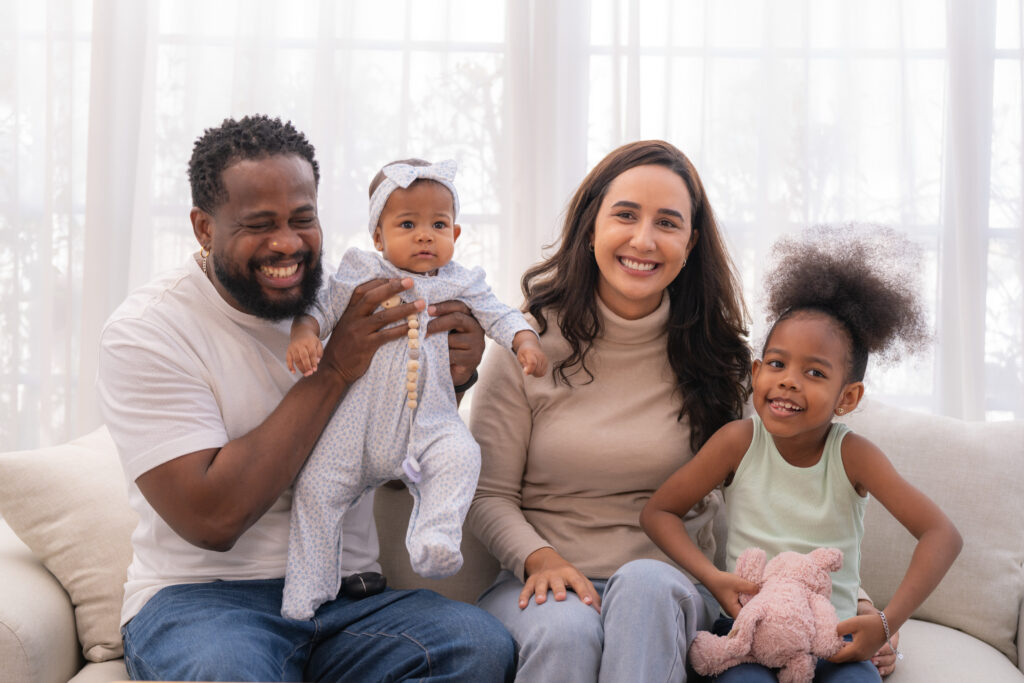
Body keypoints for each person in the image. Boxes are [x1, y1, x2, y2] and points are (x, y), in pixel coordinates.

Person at [96, 115, 516, 682]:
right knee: (229, 672)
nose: (287, 244)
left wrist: (452, 379)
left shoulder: (357, 296)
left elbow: (389, 471)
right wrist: (336, 368)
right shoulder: (149, 331)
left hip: (349, 601)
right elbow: (212, 518)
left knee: (476, 644)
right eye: (259, 224)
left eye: (302, 219)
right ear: (203, 228)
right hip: (204, 602)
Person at [466, 140, 753, 682]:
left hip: (669, 589)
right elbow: (487, 495)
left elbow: (783, 490)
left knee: (645, 587)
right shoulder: (525, 343)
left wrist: (847, 597)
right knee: (567, 630)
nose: (643, 240)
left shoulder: (721, 358)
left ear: (689, 243)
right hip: (542, 581)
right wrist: (541, 559)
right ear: (591, 225)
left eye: (667, 223)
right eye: (625, 215)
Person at [641, 226, 963, 681]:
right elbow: (658, 512)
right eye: (777, 364)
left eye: (814, 372)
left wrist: (886, 622)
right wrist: (713, 578)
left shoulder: (854, 456)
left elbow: (942, 535)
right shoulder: (738, 442)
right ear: (757, 372)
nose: (789, 380)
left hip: (834, 638)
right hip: (749, 634)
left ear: (847, 397)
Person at [282, 157, 547, 620]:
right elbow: (321, 309)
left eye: (438, 225)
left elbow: (500, 314)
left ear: (455, 234)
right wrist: (304, 333)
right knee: (317, 489)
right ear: (378, 236)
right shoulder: (361, 271)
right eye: (408, 224)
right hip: (357, 425)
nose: (425, 235)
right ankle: (308, 589)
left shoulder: (462, 282)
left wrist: (524, 340)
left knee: (462, 455)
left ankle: (434, 537)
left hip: (430, 420)